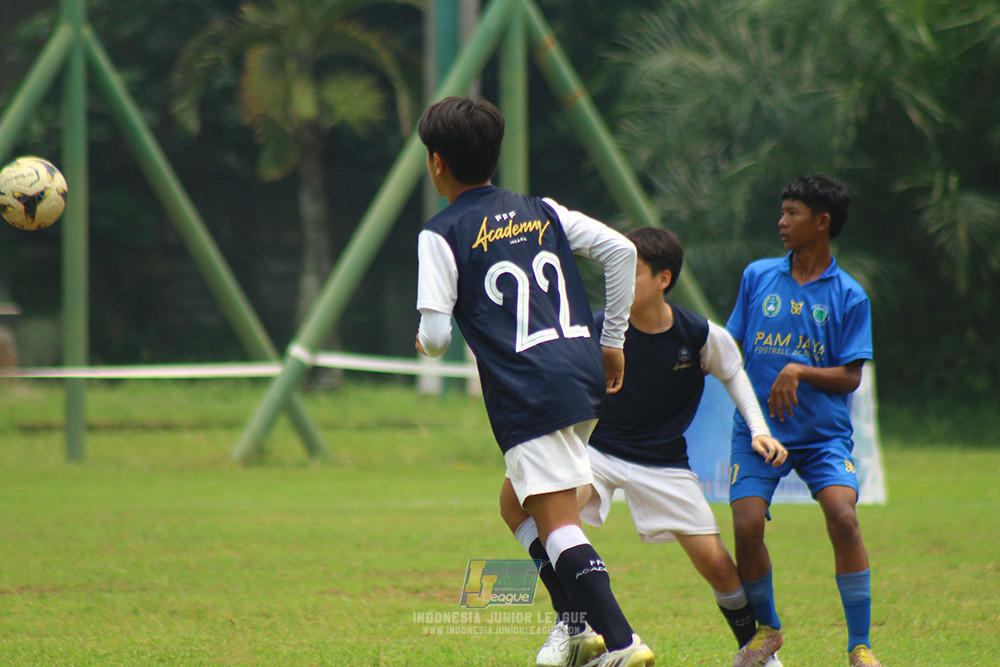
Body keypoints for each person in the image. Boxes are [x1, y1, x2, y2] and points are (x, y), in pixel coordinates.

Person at [414, 96, 654, 667]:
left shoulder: (441, 231)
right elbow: (621, 251)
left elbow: (439, 338)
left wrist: (424, 338)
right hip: (578, 375)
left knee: (558, 524)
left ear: (436, 163)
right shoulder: (540, 209)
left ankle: (622, 642)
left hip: (528, 392)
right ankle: (574, 628)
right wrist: (611, 341)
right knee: (514, 507)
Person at [502, 226, 787, 667]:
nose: (617, 283)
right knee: (533, 511)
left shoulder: (698, 335)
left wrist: (758, 429)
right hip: (596, 453)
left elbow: (734, 374)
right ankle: (572, 622)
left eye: (629, 273)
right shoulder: (595, 329)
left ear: (663, 279)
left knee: (715, 563)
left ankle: (756, 653)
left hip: (664, 461)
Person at [726, 175, 881, 667]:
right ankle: (768, 630)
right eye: (782, 211)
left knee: (844, 517)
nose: (782, 222)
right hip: (760, 433)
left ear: (822, 222)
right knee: (747, 525)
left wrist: (798, 370)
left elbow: (852, 376)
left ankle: (860, 646)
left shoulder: (851, 295)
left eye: (792, 213)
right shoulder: (758, 277)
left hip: (822, 437)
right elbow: (730, 346)